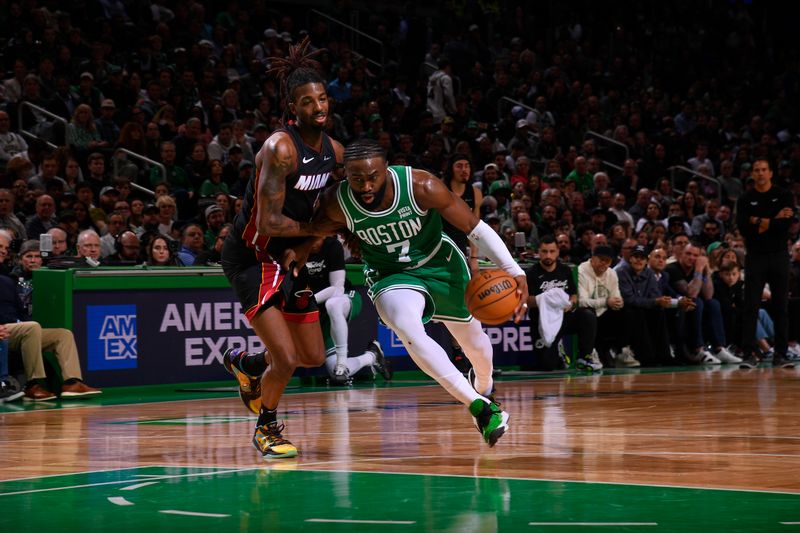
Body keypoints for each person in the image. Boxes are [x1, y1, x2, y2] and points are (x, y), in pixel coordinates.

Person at [305, 139, 527, 449]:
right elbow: (306, 237)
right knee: (407, 327)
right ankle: (479, 407)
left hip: (440, 263)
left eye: (373, 177)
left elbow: (473, 227)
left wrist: (514, 270)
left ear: (387, 170)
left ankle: (484, 387)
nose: (366, 185)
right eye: (357, 178)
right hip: (388, 274)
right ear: (346, 175)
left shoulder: (421, 185)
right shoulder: (335, 201)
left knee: (477, 347)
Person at [220, 39, 345, 459]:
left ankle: (248, 365)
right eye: (308, 101)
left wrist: (308, 246)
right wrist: (313, 231)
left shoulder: (334, 153)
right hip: (253, 256)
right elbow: (270, 221)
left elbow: (333, 214)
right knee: (287, 357)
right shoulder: (281, 148)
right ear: (294, 109)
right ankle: (266, 427)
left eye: (323, 98)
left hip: (290, 257)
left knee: (312, 355)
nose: (319, 106)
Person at [306, 236, 392, 385]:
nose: (314, 243)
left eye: (317, 238)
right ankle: (372, 356)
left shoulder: (332, 246)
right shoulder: (297, 249)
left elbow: (337, 288)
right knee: (335, 374)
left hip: (345, 297)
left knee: (333, 304)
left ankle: (341, 362)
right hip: (320, 312)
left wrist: (310, 300)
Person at [735, 159, 796, 369]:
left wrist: (758, 221)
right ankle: (749, 353)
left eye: (763, 170)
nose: (760, 173)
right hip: (755, 256)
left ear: (771, 173)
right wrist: (773, 219)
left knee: (781, 305)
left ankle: (781, 353)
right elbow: (744, 228)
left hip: (779, 255)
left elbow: (786, 225)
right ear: (752, 173)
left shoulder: (784, 195)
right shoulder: (745, 198)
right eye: (756, 170)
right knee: (751, 305)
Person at [525, 235, 600, 371]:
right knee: (547, 366)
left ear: (558, 252)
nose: (548, 255)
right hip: (543, 322)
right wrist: (547, 300)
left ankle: (585, 356)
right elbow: (527, 301)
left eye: (552, 251)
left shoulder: (565, 270)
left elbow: (574, 295)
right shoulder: (531, 273)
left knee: (587, 314)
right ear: (538, 252)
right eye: (544, 251)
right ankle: (559, 352)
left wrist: (570, 304)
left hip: (564, 317)